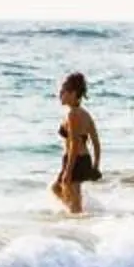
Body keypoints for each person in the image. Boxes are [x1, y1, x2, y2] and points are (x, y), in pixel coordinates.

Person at [51, 72, 101, 212]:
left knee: (69, 195)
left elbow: (74, 145)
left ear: (73, 94)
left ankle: (78, 219)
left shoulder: (72, 115)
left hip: (75, 160)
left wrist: (68, 170)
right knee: (57, 188)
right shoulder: (85, 114)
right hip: (83, 159)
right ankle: (80, 216)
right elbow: (96, 143)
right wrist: (95, 166)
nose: (60, 95)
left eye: (63, 92)